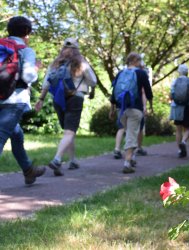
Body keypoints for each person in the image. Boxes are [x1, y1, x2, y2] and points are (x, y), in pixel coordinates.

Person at [35, 38, 97, 176]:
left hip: (58, 98)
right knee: (69, 132)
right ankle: (57, 160)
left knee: (67, 132)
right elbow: (93, 81)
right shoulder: (81, 62)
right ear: (77, 49)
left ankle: (72, 160)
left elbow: (46, 83)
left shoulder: (55, 63)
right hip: (75, 97)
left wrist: (40, 99)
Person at [0, 16, 45, 185]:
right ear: (26, 32)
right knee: (1, 136)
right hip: (14, 99)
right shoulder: (25, 50)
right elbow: (27, 76)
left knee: (16, 134)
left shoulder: (1, 46)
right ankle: (28, 170)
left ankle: (28, 171)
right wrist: (35, 69)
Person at [111, 52, 153, 173]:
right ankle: (127, 162)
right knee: (132, 135)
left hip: (122, 109)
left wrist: (113, 109)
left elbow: (113, 93)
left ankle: (131, 157)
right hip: (136, 108)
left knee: (129, 133)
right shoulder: (141, 73)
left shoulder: (120, 73)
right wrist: (150, 106)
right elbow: (148, 92)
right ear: (136, 61)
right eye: (139, 61)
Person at [169, 64, 189, 158]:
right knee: (188, 127)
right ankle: (184, 142)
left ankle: (179, 150)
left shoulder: (175, 81)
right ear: (187, 71)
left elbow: (170, 96)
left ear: (179, 72)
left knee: (178, 129)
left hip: (176, 107)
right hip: (187, 107)